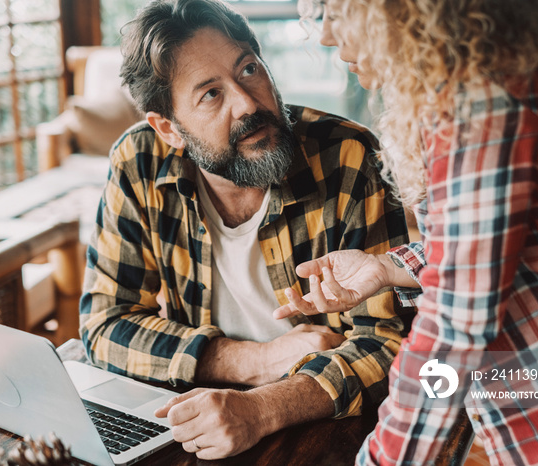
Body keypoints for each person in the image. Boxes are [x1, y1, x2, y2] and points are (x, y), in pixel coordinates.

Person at [79, 0, 414, 459]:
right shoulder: (139, 162)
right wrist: (255, 361)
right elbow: (104, 326)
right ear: (168, 128)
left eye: (250, 70)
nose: (248, 103)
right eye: (211, 94)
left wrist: (262, 408)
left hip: (327, 426)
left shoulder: (348, 155)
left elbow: (388, 344)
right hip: (202, 420)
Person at [276, 0, 538, 464]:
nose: (324, 35)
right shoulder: (531, 62)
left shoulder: (483, 102)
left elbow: (455, 324)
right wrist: (386, 266)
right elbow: (514, 246)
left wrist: (381, 460)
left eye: (336, 11)